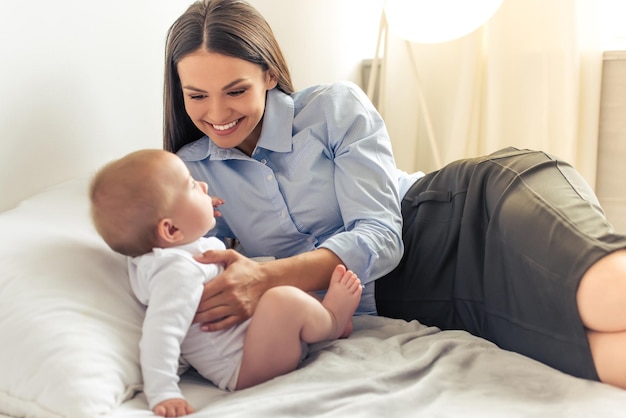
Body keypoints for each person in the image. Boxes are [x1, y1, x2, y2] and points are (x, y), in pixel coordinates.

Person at [161, 0, 626, 391]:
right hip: (421, 299)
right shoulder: (189, 174)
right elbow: (198, 269)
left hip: (462, 214)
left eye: (235, 90)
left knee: (609, 294)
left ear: (268, 74)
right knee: (603, 358)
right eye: (196, 95)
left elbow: (382, 236)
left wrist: (268, 277)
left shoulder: (331, 109)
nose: (217, 113)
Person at [89, 149, 363, 417]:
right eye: (192, 185)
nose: (204, 184)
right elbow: (161, 334)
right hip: (246, 367)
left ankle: (317, 321)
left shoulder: (180, 253)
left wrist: (197, 216)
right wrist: (163, 392)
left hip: (260, 343)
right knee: (282, 300)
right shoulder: (174, 272)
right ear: (171, 230)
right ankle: (332, 321)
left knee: (274, 283)